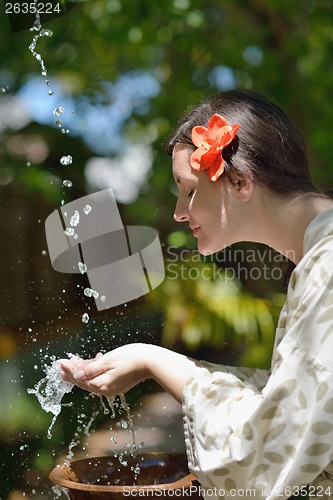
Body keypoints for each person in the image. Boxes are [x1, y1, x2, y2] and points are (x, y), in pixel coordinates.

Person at [59, 90, 333, 500]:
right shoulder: (319, 255)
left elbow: (266, 455)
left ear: (239, 181)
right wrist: (152, 360)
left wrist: (158, 360)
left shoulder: (326, 267)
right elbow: (294, 399)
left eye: (188, 190)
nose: (178, 213)